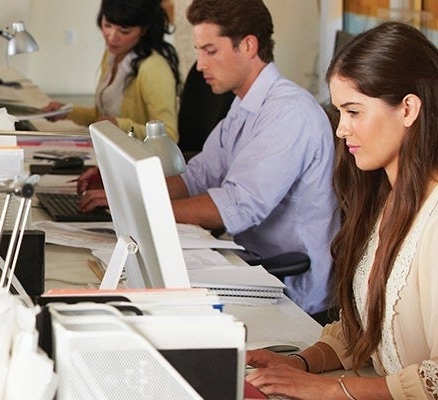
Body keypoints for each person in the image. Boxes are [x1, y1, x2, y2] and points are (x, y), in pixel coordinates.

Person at [76, 0, 338, 317]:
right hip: (248, 265)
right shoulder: (244, 106)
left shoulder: (288, 113)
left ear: (249, 46)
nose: (200, 65)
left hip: (288, 287)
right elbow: (197, 176)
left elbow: (237, 206)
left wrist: (144, 211)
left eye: (210, 51)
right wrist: (125, 192)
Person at [246, 21, 438, 399]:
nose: (341, 129)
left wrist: (332, 389)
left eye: (353, 111)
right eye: (340, 112)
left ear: (408, 109)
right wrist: (302, 363)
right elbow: (369, 326)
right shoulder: (390, 198)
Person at [44, 0, 180, 141]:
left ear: (143, 30)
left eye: (124, 31)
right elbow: (102, 117)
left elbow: (169, 135)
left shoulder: (154, 69)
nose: (112, 37)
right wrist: (67, 112)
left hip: (138, 157)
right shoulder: (112, 55)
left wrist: (120, 125)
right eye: (107, 25)